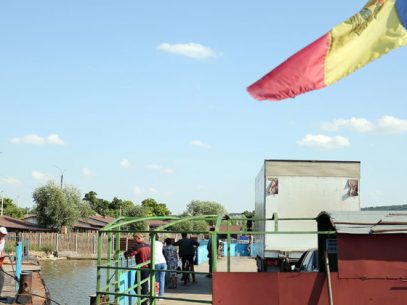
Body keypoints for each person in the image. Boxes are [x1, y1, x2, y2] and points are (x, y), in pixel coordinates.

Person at [124, 233, 151, 304]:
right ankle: (144, 299)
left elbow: (129, 254)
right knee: (144, 285)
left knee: (136, 286)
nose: (134, 240)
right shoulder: (149, 246)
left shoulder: (138, 246)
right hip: (148, 268)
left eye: (134, 239)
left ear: (137, 238)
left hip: (141, 268)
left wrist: (126, 254)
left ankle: (144, 301)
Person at [0, 227, 8, 298]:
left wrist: (2, 254)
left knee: (2, 277)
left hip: (0, 261)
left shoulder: (3, 240)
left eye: (4, 234)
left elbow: (2, 250)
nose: (3, 235)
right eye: (2, 234)